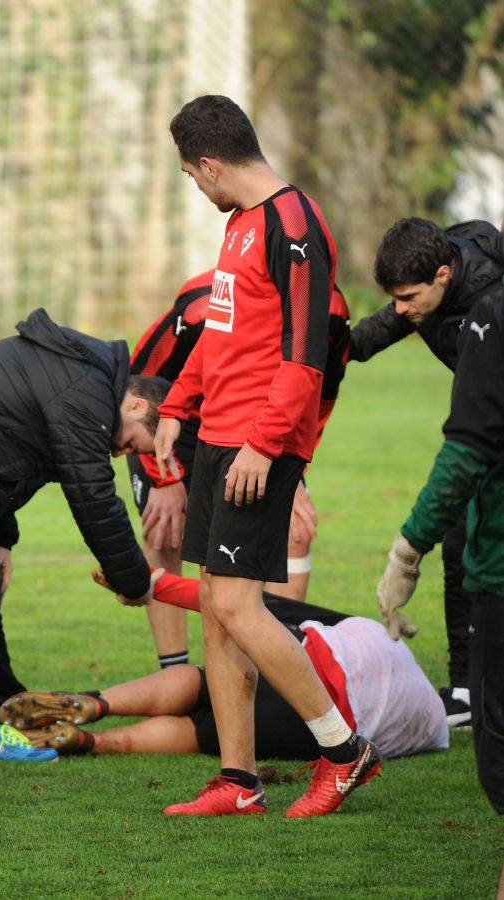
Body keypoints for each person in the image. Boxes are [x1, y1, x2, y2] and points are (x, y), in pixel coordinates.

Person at [153, 94, 380, 818]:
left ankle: (343, 750)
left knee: (236, 604)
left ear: (210, 164)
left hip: (258, 445)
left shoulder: (294, 225)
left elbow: (307, 355)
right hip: (218, 439)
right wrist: (175, 405)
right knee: (216, 610)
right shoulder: (239, 225)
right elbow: (220, 335)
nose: (197, 187)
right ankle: (238, 780)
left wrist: (263, 442)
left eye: (192, 176)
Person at [0, 312, 165, 760]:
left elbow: (9, 447)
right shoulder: (86, 391)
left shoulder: (85, 381)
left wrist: (2, 537)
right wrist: (135, 581)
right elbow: (92, 497)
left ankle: (4, 703)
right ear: (136, 406)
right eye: (132, 444)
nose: (120, 453)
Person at [127, 271, 350, 665]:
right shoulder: (202, 310)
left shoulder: (329, 311)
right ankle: (175, 671)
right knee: (165, 530)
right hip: (175, 415)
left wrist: (294, 474)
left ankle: (278, 667)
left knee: (295, 530)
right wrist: (164, 477)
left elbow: (320, 399)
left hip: (257, 425)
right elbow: (138, 384)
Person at [1, 570, 449, 762]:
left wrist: (154, 583)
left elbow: (251, 604)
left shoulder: (365, 629)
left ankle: (96, 702)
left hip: (311, 661)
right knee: (200, 732)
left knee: (204, 682)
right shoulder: (430, 723)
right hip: (326, 722)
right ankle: (92, 742)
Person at [350, 216, 504, 728]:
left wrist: (406, 556)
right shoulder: (429, 286)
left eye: (408, 297)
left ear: (444, 274)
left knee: (480, 549)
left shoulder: (490, 302)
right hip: (481, 424)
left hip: (489, 429)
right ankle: (465, 688)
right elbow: (376, 332)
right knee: (461, 541)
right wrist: (326, 347)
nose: (400, 308)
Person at [374, 269, 504, 813]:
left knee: (498, 762)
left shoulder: (491, 315)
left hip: (499, 571)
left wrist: (406, 554)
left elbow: (466, 453)